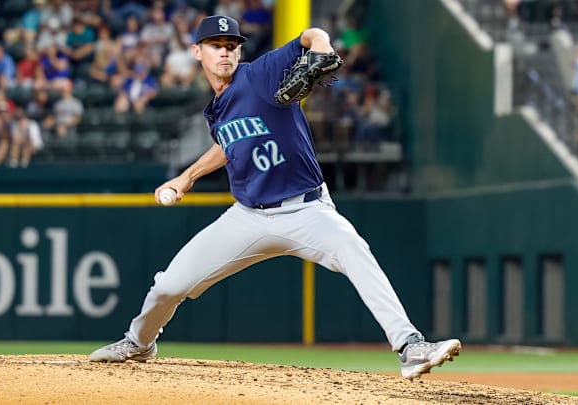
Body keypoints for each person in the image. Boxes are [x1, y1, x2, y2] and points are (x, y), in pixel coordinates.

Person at [88, 15, 461, 379]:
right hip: (248, 217)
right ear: (196, 52)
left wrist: (323, 47)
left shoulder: (260, 73)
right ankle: (138, 343)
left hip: (306, 209)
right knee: (169, 285)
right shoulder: (217, 108)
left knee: (352, 248)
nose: (225, 53)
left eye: (231, 46)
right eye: (216, 46)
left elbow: (311, 34)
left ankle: (409, 345)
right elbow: (228, 143)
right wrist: (186, 177)